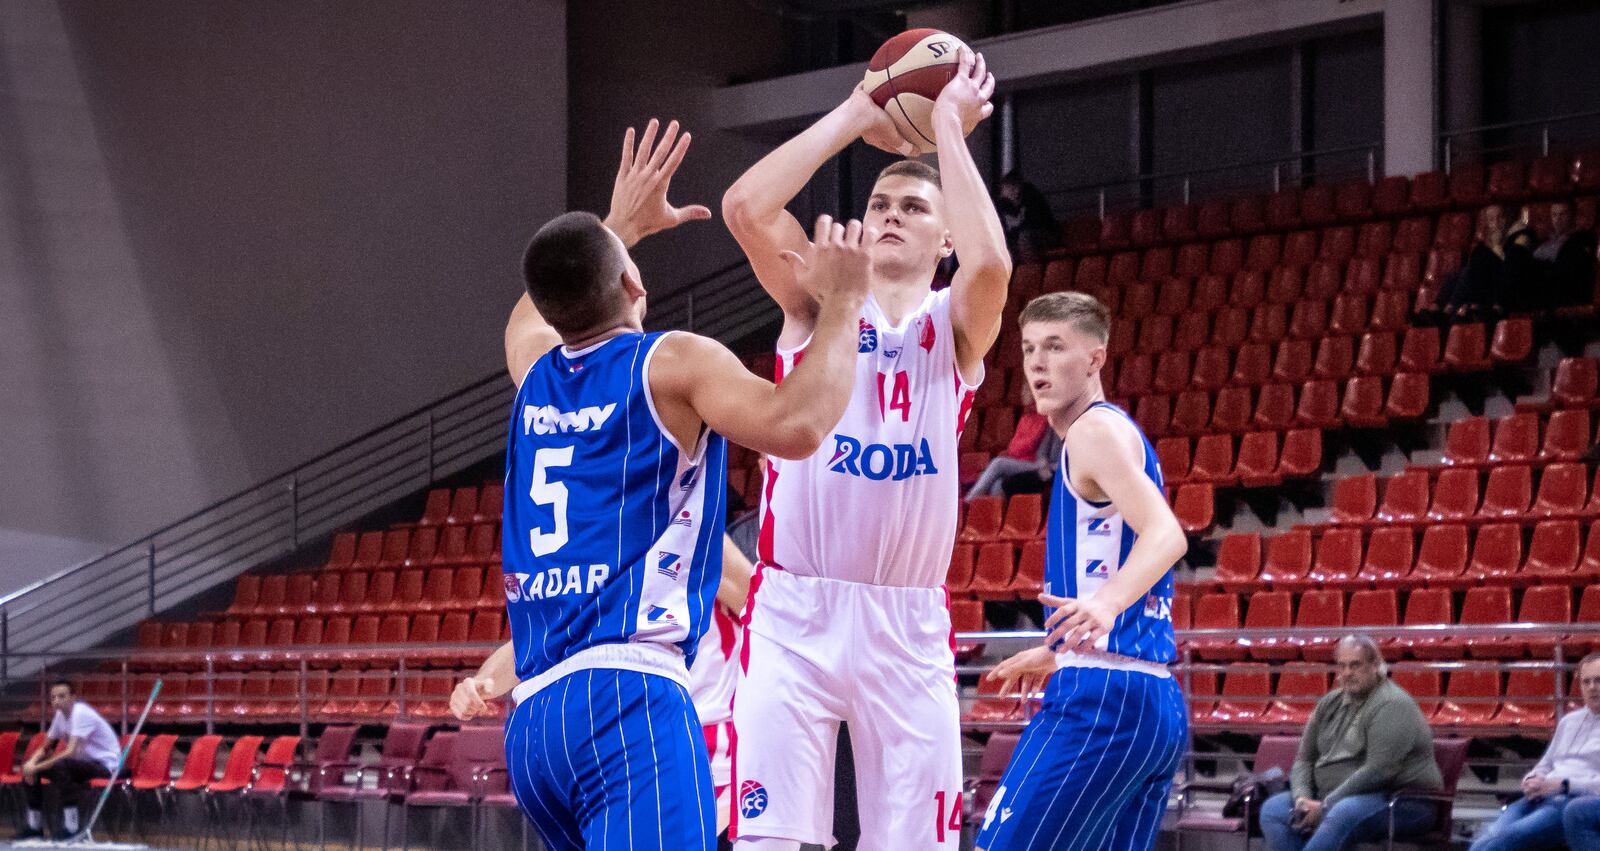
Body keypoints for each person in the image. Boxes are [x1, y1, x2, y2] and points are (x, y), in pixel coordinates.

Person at [447, 118, 873, 851]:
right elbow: (798, 425)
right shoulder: (669, 361)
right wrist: (843, 305)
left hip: (537, 720)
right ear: (634, 285)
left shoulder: (534, 374)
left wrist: (618, 226)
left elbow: (528, 314)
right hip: (627, 698)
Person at [720, 47, 1009, 850]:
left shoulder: (951, 324)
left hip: (905, 620)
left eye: (913, 209)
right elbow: (745, 206)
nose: (887, 213)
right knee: (768, 840)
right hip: (794, 610)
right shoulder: (821, 301)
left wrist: (947, 125)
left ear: (943, 237)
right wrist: (858, 109)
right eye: (880, 201)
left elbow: (994, 264)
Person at [972, 291, 1189, 851]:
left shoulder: (1093, 432)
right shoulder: (1108, 432)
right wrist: (1060, 647)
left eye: (1055, 347)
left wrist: (1104, 605)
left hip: (1104, 701)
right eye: (1028, 349)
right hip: (1148, 699)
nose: (1038, 363)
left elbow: (1167, 534)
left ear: (1095, 358)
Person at [1258, 635, 1442, 851]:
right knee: (1273, 810)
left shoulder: (1392, 704)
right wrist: (1302, 798)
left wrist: (1326, 805)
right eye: (1342, 666)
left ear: (1376, 666)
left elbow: (1379, 771)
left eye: (1355, 665)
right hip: (1333, 798)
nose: (1346, 673)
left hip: (1404, 802)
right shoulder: (1330, 702)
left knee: (1342, 812)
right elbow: (1304, 759)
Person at [1472, 652, 1600, 850]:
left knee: (1504, 840)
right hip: (1539, 795)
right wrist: (1531, 780)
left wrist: (1565, 785)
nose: (1592, 687)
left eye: (1598, 680)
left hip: (1573, 799)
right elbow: (1546, 764)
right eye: (1586, 682)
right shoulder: (1569, 721)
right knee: (1485, 838)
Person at [691, 535, 754, 844]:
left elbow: (761, 604)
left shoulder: (694, 533)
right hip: (635, 745)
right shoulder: (610, 536)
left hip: (714, 750)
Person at [16, 680, 120, 840]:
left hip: (106, 765)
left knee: (60, 766)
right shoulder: (59, 716)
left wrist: (36, 767)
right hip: (82, 765)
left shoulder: (80, 713)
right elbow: (46, 746)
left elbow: (70, 752)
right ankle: (34, 826)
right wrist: (31, 763)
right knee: (30, 770)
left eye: (62, 696)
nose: (57, 700)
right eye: (53, 697)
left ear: (73, 697)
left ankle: (71, 827)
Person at [966, 385, 1057, 501]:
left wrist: (1018, 450)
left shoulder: (1045, 419)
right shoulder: (1025, 418)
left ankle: (969, 501)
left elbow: (1030, 446)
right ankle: (994, 518)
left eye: (1027, 391)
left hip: (1033, 463)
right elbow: (1014, 446)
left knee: (998, 463)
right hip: (1019, 461)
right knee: (997, 485)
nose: (1023, 394)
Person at [1535, 200, 1599, 310]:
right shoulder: (1545, 242)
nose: (1558, 219)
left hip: (1567, 299)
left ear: (1573, 216)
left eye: (1563, 214)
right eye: (1554, 215)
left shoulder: (1580, 240)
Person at [995, 171, 1059, 263]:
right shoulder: (1003, 205)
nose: (1002, 193)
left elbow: (1034, 224)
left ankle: (1031, 271)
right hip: (1019, 237)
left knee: (1024, 237)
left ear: (1015, 189)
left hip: (1045, 234)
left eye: (1005, 189)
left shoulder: (1032, 198)